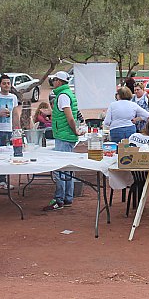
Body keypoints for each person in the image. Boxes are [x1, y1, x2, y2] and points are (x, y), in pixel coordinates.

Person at [44, 71, 83, 211]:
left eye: (54, 80)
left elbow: (70, 117)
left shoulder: (62, 96)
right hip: (66, 134)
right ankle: (67, 197)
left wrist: (74, 130)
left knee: (61, 169)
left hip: (64, 135)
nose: (53, 82)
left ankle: (60, 198)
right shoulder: (68, 94)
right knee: (67, 168)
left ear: (59, 81)